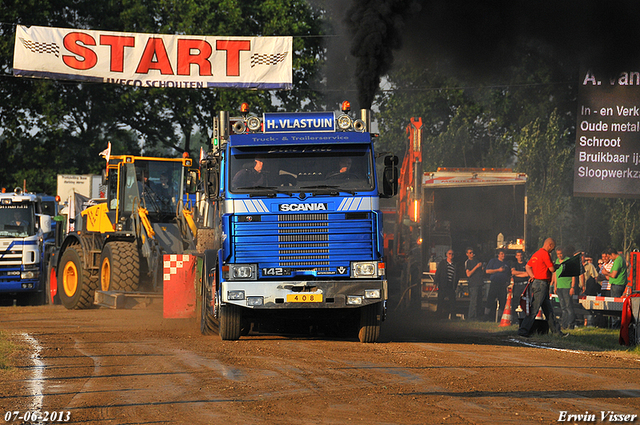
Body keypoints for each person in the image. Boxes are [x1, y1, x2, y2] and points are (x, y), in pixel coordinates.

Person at [518, 238, 565, 337]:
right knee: (534, 309)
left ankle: (556, 332)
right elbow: (551, 269)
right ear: (550, 245)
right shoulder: (545, 254)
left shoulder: (536, 254)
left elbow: (527, 266)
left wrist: (532, 276)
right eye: (553, 247)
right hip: (542, 284)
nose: (553, 250)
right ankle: (523, 331)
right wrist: (556, 266)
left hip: (537, 283)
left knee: (548, 310)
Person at [552, 247, 576, 330]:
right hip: (559, 287)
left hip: (567, 287)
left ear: (564, 253)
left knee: (568, 306)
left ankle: (571, 324)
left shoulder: (569, 261)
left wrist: (572, 287)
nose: (559, 255)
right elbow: (555, 274)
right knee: (563, 307)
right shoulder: (557, 261)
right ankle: (564, 324)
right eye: (558, 254)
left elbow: (573, 275)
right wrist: (555, 286)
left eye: (561, 253)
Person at [484, 249, 511, 321]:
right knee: (490, 299)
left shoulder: (507, 263)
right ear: (498, 255)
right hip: (494, 283)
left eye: (504, 254)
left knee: (502, 301)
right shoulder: (493, 261)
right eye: (501, 254)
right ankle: (486, 316)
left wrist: (508, 282)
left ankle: (500, 317)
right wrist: (498, 270)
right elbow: (487, 271)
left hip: (503, 285)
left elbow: (509, 274)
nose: (503, 255)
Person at [435, 249, 459, 319]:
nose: (451, 255)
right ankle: (438, 316)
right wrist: (435, 282)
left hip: (451, 285)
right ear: (446, 255)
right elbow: (438, 273)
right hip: (443, 285)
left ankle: (453, 317)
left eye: (452, 254)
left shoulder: (454, 265)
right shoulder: (442, 263)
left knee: (452, 302)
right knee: (440, 301)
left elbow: (456, 276)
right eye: (449, 254)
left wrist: (455, 285)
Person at [464, 247, 484, 320]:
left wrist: (482, 268)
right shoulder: (468, 262)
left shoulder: (477, 261)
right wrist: (476, 267)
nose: (472, 254)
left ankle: (478, 316)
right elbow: (468, 274)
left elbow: (481, 272)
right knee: (473, 302)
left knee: (479, 301)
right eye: (470, 253)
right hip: (473, 284)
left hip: (479, 283)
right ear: (467, 254)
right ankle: (471, 317)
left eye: (472, 252)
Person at [510, 250, 529, 324]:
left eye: (521, 255)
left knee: (524, 302)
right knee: (515, 302)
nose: (519, 257)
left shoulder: (526, 264)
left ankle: (523, 318)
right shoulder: (514, 264)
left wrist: (518, 274)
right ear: (516, 256)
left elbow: (527, 274)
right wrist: (523, 273)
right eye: (518, 255)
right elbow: (513, 272)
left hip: (524, 285)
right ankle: (515, 319)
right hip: (517, 285)